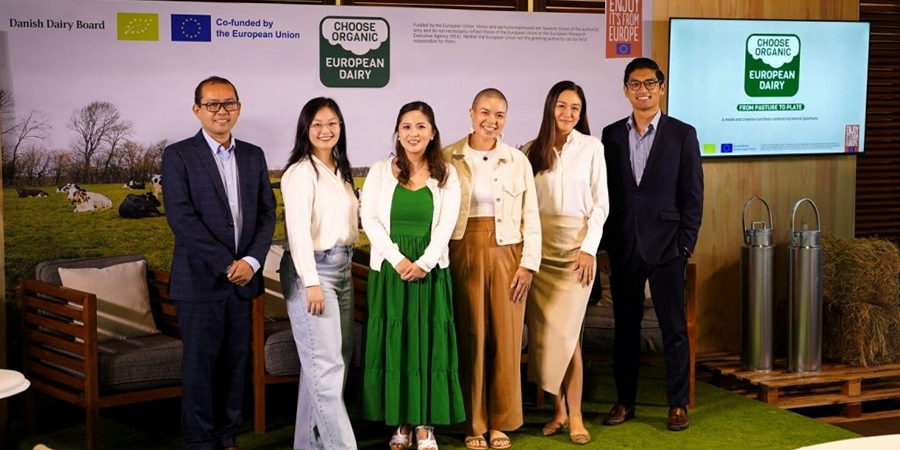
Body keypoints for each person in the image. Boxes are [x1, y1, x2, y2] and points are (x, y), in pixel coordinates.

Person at [162, 76, 276, 450]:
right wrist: (228, 264)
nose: (221, 111)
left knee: (234, 364)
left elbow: (267, 213)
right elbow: (181, 219)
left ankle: (228, 437)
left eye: (229, 103)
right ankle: (199, 441)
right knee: (200, 367)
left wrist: (252, 261)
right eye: (212, 104)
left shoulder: (253, 155)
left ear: (238, 109)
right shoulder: (178, 155)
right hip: (200, 281)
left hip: (244, 281)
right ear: (197, 110)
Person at [600, 57, 704, 431]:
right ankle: (625, 401)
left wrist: (685, 245)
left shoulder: (682, 134)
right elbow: (605, 194)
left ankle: (677, 404)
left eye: (649, 83)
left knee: (673, 329)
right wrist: (605, 247)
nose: (642, 90)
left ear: (661, 87)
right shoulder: (611, 135)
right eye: (635, 84)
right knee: (625, 329)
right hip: (625, 246)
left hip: (668, 248)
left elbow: (693, 194)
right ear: (625, 90)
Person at [360, 101, 465, 450]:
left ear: (432, 133)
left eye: (421, 126)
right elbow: (369, 219)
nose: (413, 133)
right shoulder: (380, 171)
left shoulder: (446, 174)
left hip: (430, 274)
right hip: (391, 273)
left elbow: (446, 225)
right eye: (406, 126)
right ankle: (401, 422)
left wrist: (424, 263)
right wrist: (398, 260)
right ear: (397, 132)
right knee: (398, 345)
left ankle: (425, 425)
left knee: (428, 346)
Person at [443, 88, 541, 450]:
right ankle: (473, 423)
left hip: (508, 253)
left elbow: (531, 217)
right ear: (471, 113)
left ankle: (501, 422)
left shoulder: (517, 160)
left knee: (506, 338)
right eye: (485, 112)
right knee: (469, 336)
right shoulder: (447, 157)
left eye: (499, 114)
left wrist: (528, 265)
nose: (491, 120)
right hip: (462, 250)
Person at [523, 81, 608, 445]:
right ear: (550, 108)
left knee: (568, 336)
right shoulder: (530, 151)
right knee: (545, 337)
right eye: (562, 106)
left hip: (577, 255)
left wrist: (589, 249)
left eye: (575, 107)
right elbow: (525, 207)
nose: (568, 113)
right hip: (539, 254)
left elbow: (601, 205)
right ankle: (558, 411)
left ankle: (576, 416)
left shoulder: (592, 147)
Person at [279, 97, 359, 449]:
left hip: (342, 269)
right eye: (317, 124)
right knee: (326, 371)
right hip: (314, 273)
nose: (325, 130)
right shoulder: (300, 172)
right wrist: (311, 282)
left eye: (332, 123)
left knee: (326, 367)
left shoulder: (340, 170)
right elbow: (297, 232)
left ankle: (308, 446)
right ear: (305, 129)